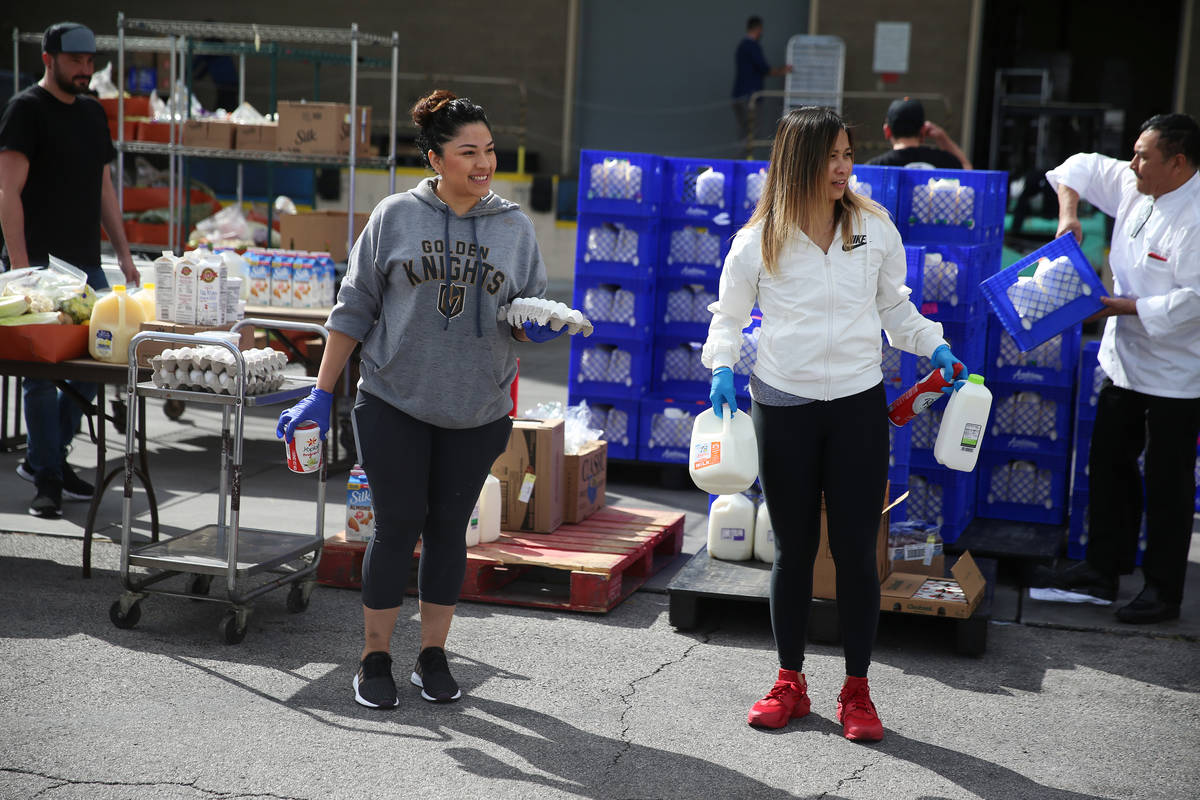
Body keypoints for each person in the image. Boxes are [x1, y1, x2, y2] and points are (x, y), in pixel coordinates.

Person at [276, 89, 566, 710]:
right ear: (436, 157)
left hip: (478, 409)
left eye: (489, 150)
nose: (483, 162)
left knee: (447, 533)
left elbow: (524, 309)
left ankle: (432, 655)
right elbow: (353, 309)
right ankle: (374, 656)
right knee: (397, 524)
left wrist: (532, 327)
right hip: (392, 401)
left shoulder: (515, 228)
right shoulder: (393, 217)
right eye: (468, 152)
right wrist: (321, 393)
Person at [703, 106, 971, 741]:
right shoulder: (758, 239)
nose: (843, 166)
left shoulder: (872, 228)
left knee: (854, 554)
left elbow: (895, 308)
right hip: (782, 405)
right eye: (829, 156)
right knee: (793, 553)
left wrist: (931, 345)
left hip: (857, 405)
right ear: (797, 161)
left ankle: (857, 690)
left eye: (848, 154)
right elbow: (728, 317)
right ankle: (789, 682)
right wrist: (720, 367)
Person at [1039, 113, 1200, 624]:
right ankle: (1102, 569)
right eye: (1132, 152)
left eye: (1143, 157)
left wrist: (1121, 306)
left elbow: (1194, 299)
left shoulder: (1195, 215)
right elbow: (1079, 167)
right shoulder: (1137, 185)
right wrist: (1069, 214)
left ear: (1177, 162)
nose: (1132, 164)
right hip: (1124, 361)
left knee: (1168, 482)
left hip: (1179, 372)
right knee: (1109, 464)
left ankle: (1162, 590)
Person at [0, 22, 139, 519]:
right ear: (49, 58)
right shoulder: (25, 111)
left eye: (91, 62)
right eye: (76, 61)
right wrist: (19, 271)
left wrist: (123, 253)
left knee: (97, 363)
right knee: (40, 377)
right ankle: (49, 479)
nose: (85, 70)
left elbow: (104, 189)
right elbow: (7, 193)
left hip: (84, 267)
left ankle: (46, 458)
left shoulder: (93, 114)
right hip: (35, 266)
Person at [731, 16, 791, 151]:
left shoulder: (742, 46)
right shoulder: (751, 46)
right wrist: (783, 70)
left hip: (739, 95)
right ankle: (744, 162)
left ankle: (742, 159)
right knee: (751, 133)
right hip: (749, 96)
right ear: (757, 29)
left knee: (745, 131)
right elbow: (764, 69)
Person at [866, 97, 972, 170]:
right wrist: (942, 138)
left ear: (887, 131)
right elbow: (967, 171)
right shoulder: (943, 160)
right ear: (922, 131)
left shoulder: (875, 166)